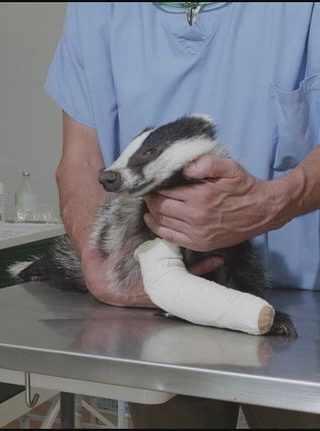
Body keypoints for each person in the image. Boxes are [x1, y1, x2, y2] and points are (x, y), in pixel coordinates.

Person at [45, 2, 320, 428]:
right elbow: (80, 161)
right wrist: (97, 260)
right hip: (161, 306)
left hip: (306, 306)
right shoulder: (97, 11)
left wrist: (273, 202)